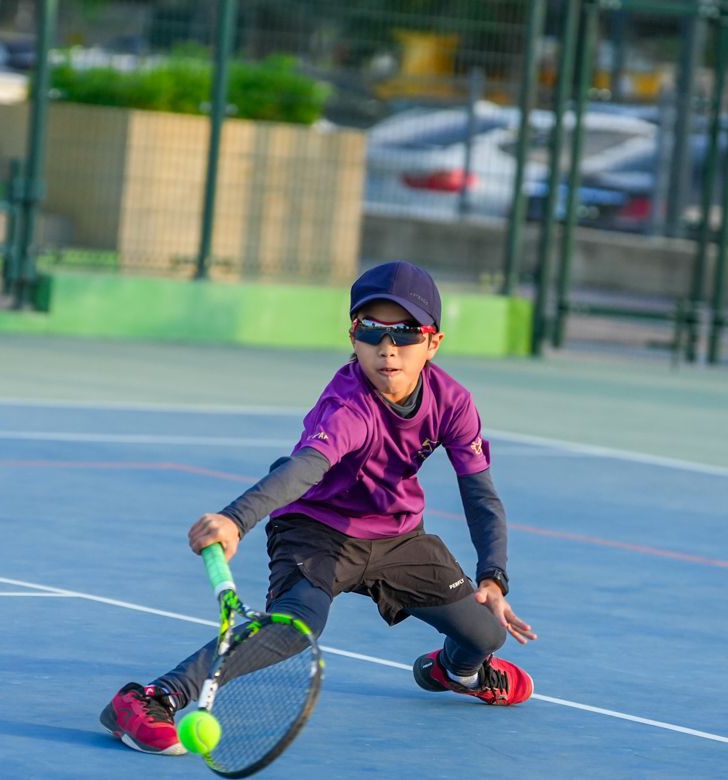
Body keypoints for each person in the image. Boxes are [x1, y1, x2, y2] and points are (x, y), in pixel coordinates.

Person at [100, 260, 537, 756]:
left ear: (433, 343)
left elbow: (480, 494)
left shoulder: (452, 402)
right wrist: (236, 518)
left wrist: (492, 577)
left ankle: (457, 672)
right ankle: (151, 698)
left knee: (485, 632)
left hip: (398, 537)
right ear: (354, 338)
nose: (387, 348)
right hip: (316, 530)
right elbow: (303, 468)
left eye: (406, 333)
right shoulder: (348, 407)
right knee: (295, 628)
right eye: (370, 330)